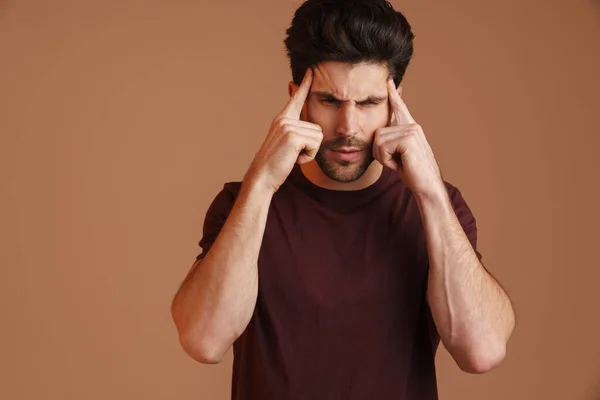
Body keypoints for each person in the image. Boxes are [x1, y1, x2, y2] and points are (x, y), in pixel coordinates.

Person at [171, 0, 516, 398]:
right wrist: (262, 182)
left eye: (369, 103)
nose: (347, 126)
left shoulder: (438, 206)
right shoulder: (244, 202)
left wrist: (431, 193)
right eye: (329, 101)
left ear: (395, 103)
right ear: (295, 100)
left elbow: (482, 352)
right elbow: (203, 341)